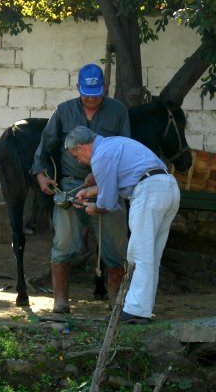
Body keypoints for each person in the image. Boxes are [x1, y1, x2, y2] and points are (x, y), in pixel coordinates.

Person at [31, 63, 130, 314]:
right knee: (63, 241)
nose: (91, 98)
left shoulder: (118, 111)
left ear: (105, 88)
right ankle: (61, 301)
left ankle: (115, 302)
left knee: (117, 245)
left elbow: (125, 148)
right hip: (70, 187)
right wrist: (40, 175)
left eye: (96, 94)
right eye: (86, 93)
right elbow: (45, 144)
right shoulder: (63, 111)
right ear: (77, 88)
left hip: (109, 185)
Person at [64, 126, 180, 324]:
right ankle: (142, 308)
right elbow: (120, 179)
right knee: (152, 254)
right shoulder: (113, 144)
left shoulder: (100, 156)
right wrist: (90, 192)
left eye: (76, 156)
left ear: (82, 148)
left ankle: (135, 310)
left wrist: (93, 208)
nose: (79, 161)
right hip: (168, 187)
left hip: (148, 192)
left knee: (138, 253)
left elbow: (108, 203)